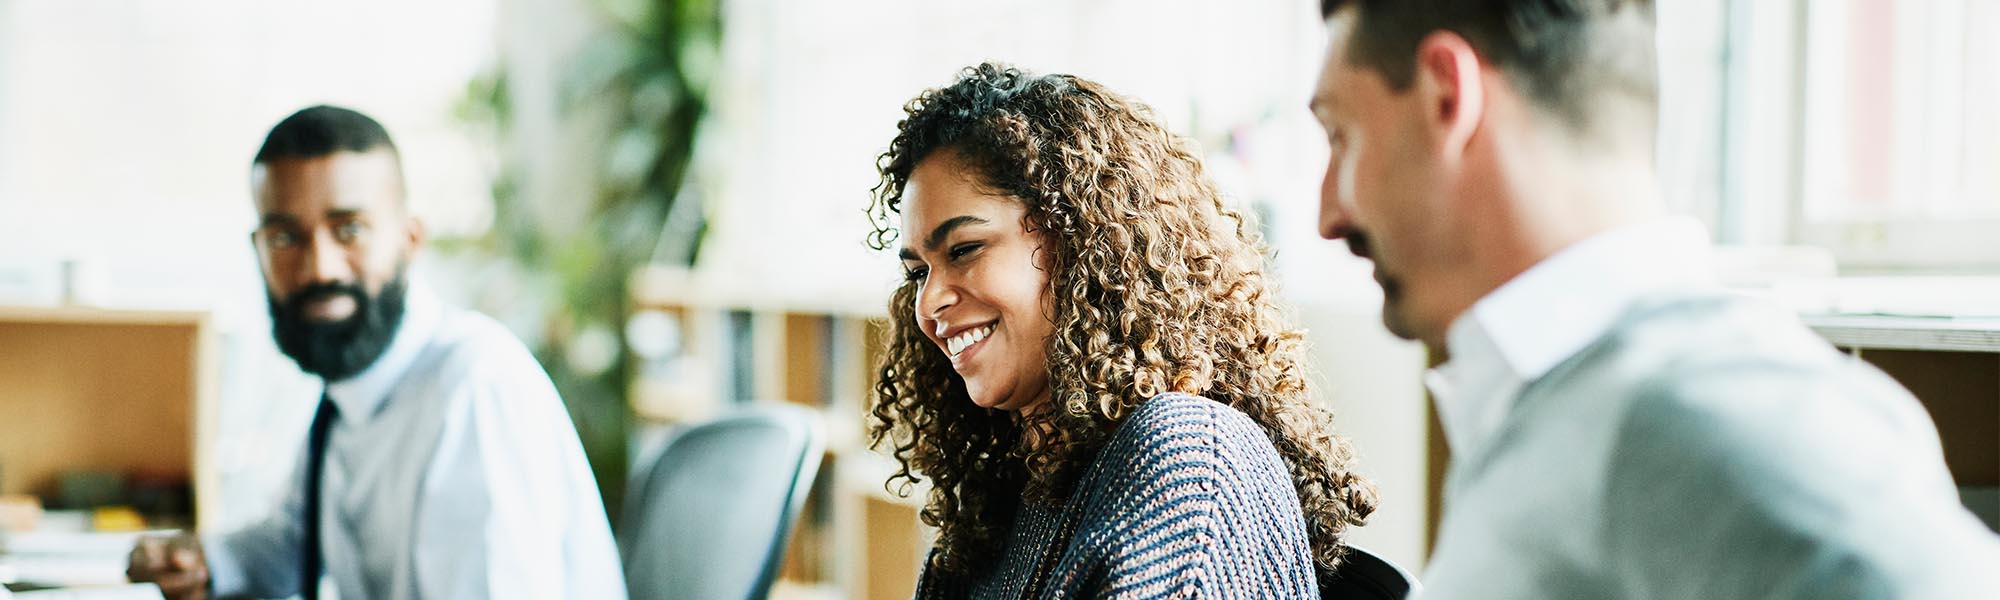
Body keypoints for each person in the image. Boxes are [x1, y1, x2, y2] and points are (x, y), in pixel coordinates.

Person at [1308, 1, 2000, 597]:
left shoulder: (1717, 423)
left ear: (1446, 96)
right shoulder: (1562, 407)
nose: (1327, 214)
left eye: (1342, 136)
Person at [866, 63, 1380, 599]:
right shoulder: (1009, 490)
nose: (929, 302)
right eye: (918, 273)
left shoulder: (1187, 461)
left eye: (965, 250)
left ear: (1080, 241)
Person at [126, 106, 625, 599]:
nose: (319, 268)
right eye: (285, 238)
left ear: (410, 240)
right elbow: (298, 546)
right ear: (258, 249)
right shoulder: (349, 395)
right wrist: (207, 563)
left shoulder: (474, 390)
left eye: (349, 230)